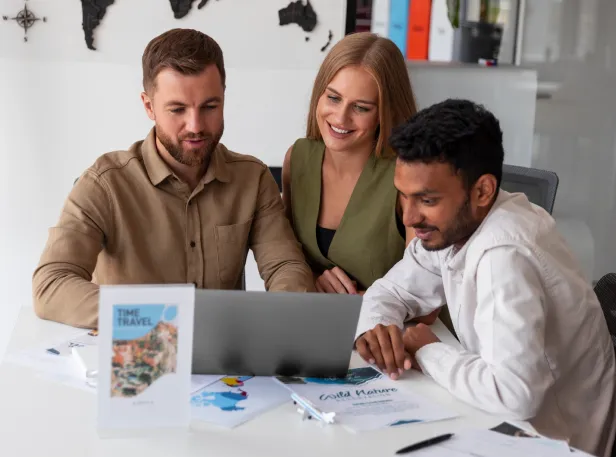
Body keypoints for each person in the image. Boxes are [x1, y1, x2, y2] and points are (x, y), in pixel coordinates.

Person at [354, 98, 616, 457]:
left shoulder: (505, 254)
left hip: (554, 443)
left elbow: (514, 395)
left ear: (482, 191)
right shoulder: (456, 226)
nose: (409, 218)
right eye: (403, 197)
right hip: (500, 427)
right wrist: (376, 329)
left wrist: (427, 348)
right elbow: (392, 291)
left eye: (426, 200)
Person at [32, 28, 314, 329]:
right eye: (178, 109)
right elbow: (51, 285)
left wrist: (278, 321)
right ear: (149, 106)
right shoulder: (104, 184)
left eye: (210, 106)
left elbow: (286, 267)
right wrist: (161, 320)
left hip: (223, 352)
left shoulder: (252, 178)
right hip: (138, 348)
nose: (195, 126)